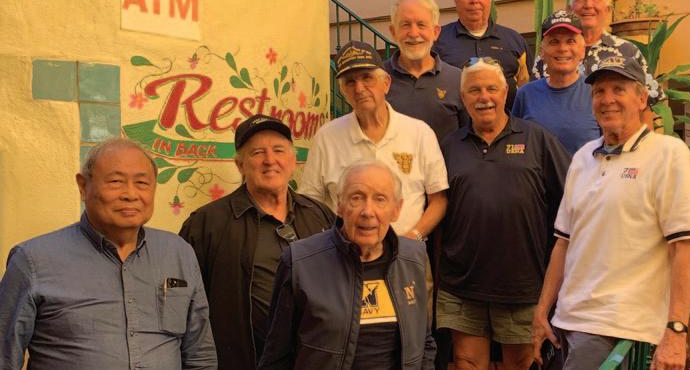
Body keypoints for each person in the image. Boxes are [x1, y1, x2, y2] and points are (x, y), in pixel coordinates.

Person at [532, 55, 690, 369]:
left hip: (621, 331)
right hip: (567, 325)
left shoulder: (668, 154)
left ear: (641, 98)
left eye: (618, 89)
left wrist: (676, 330)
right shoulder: (583, 157)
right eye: (599, 91)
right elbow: (564, 243)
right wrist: (542, 312)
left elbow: (684, 248)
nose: (607, 99)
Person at [0, 138, 217, 369]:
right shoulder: (32, 260)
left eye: (142, 183)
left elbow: (199, 356)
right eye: (115, 181)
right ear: (83, 186)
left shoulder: (179, 253)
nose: (130, 194)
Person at [438, 57, 570, 370]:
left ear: (505, 93)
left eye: (491, 89)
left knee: (521, 364)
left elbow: (570, 199)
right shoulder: (449, 146)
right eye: (474, 90)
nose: (484, 97)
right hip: (462, 282)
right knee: (466, 362)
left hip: (522, 284)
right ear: (463, 98)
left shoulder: (537, 139)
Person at [180, 115, 335, 370]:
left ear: (293, 160)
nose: (270, 160)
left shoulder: (320, 215)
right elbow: (185, 306)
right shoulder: (207, 224)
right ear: (240, 164)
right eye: (257, 152)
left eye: (278, 150)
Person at [259, 160, 436, 369]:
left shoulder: (414, 258)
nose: (367, 211)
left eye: (380, 199)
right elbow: (276, 357)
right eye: (356, 198)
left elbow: (423, 343)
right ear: (339, 205)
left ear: (396, 209)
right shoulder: (300, 262)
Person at [299, 40, 448, 242]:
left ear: (386, 83)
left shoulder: (420, 133)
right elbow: (309, 203)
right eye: (350, 82)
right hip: (344, 254)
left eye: (367, 77)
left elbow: (438, 199)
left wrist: (412, 238)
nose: (359, 88)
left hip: (406, 253)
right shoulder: (326, 137)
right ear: (343, 91)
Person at [531, 0, 664, 108]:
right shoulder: (550, 55)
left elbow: (650, 104)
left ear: (607, 9)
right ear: (569, 9)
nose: (588, 5)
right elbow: (532, 101)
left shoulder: (627, 51)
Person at [434, 0, 531, 111]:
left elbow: (527, 94)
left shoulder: (514, 41)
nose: (474, 0)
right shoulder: (437, 41)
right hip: (452, 124)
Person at [512, 9, 600, 155]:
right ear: (542, 51)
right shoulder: (525, 95)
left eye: (570, 41)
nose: (563, 48)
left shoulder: (596, 93)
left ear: (582, 50)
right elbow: (514, 146)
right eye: (554, 42)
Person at [385, 0, 467, 143]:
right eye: (405, 25)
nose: (413, 33)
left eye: (421, 25)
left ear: (435, 32)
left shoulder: (458, 80)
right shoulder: (378, 79)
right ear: (393, 32)